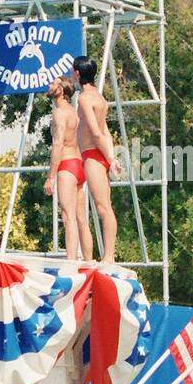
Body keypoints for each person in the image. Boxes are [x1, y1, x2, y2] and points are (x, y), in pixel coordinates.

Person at [72, 56, 121, 264]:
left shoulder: (84, 99)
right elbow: (106, 132)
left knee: (103, 207)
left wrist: (110, 158)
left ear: (77, 74)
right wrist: (111, 156)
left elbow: (95, 132)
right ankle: (108, 255)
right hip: (98, 153)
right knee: (104, 206)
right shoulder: (100, 98)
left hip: (93, 153)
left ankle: (109, 256)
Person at [43, 77, 93, 262]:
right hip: (80, 165)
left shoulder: (60, 113)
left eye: (54, 84)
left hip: (67, 165)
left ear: (61, 90)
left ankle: (71, 262)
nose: (50, 85)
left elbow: (58, 145)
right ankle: (89, 262)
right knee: (81, 219)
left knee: (68, 217)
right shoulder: (75, 112)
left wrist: (51, 176)